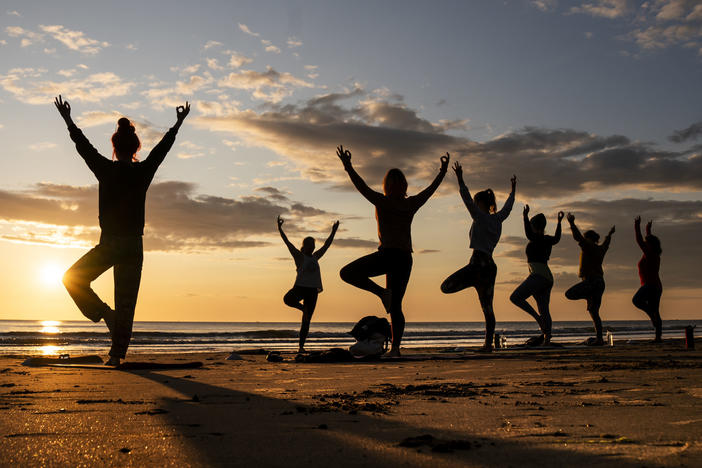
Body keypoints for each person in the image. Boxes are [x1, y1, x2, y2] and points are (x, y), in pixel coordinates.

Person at [55, 95, 189, 366]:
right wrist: (177, 124)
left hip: (112, 243)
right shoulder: (143, 172)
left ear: (115, 147)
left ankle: (106, 316)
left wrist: (68, 119)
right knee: (126, 304)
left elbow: (84, 147)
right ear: (136, 147)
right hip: (132, 246)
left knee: (72, 279)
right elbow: (161, 151)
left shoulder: (105, 168)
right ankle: (116, 356)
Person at [337, 145, 449, 357]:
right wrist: (441, 173)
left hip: (389, 255)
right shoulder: (410, 203)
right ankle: (395, 348)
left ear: (391, 185)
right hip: (404, 259)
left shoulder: (384, 201)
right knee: (396, 306)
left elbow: (361, 186)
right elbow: (430, 191)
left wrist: (348, 167)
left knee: (347, 273)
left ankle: (382, 295)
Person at [441, 162, 516, 352]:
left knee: (446, 287)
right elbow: (508, 208)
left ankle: (487, 343)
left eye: (477, 202)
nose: (474, 205)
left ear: (483, 204)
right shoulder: (498, 219)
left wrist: (460, 178)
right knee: (487, 308)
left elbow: (466, 199)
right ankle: (487, 344)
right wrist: (513, 191)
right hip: (489, 266)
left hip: (477, 264)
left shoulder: (480, 217)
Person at [277, 215, 339, 352]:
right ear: (305, 246)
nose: (312, 247)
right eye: (309, 245)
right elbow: (287, 243)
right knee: (287, 299)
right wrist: (280, 229)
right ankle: (302, 308)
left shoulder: (316, 256)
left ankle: (301, 347)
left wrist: (333, 231)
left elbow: (327, 245)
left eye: (313, 245)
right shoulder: (299, 257)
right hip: (300, 287)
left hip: (312, 291)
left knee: (306, 321)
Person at [510, 206, 563, 346]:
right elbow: (557, 238)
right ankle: (547, 338)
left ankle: (538, 319)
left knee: (515, 297)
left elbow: (528, 234)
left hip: (538, 276)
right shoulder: (547, 239)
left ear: (534, 226)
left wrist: (525, 217)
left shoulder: (536, 238)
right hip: (547, 277)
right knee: (544, 308)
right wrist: (559, 222)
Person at [564, 213, 615, 346]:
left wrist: (572, 223)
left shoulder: (588, 246)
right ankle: (599, 339)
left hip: (591, 282)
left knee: (569, 294)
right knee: (594, 312)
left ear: (589, 239)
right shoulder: (600, 249)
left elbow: (578, 237)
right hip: (600, 283)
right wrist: (610, 234)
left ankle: (588, 296)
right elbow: (607, 243)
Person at [633, 216, 663, 342]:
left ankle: (651, 314)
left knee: (636, 300)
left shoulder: (649, 253)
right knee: (656, 312)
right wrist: (648, 229)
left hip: (650, 285)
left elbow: (639, 240)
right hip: (656, 286)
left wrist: (637, 225)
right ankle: (658, 337)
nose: (645, 244)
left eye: (647, 243)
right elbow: (647, 240)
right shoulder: (653, 253)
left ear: (650, 245)